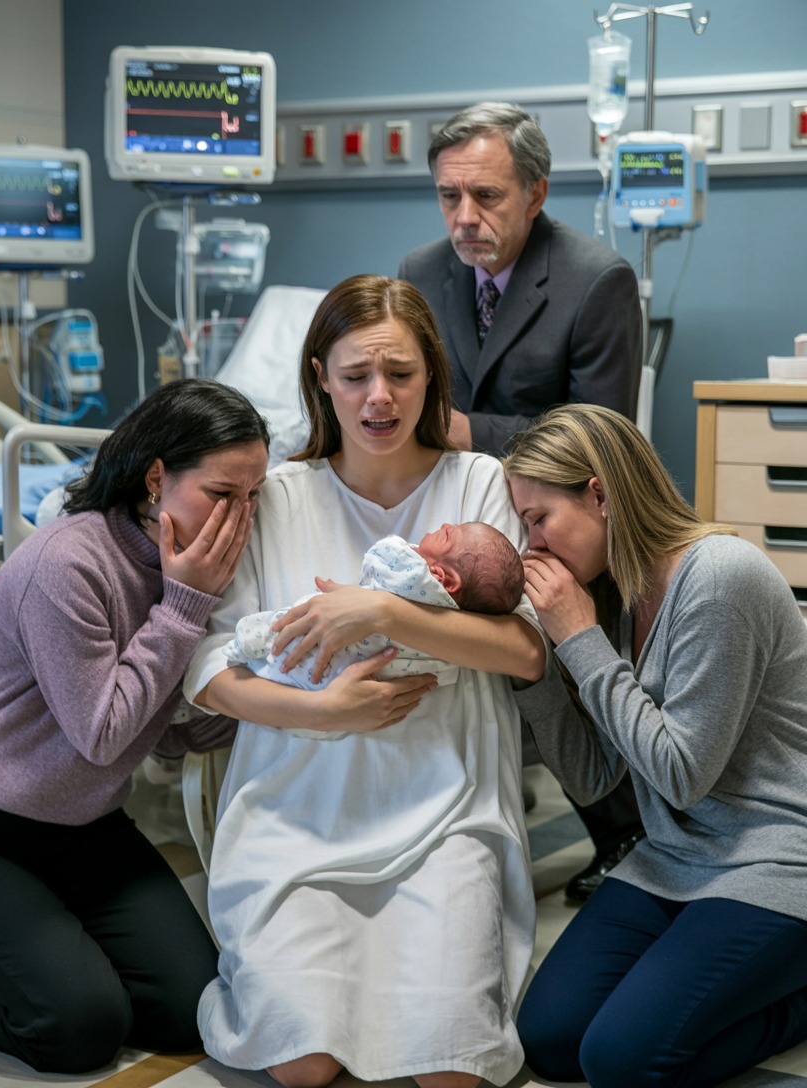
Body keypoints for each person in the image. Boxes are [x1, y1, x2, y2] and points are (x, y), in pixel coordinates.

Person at [183, 273, 546, 1088]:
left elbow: (525, 651)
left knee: (449, 1069)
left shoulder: (478, 484)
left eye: (402, 375)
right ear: (319, 377)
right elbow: (209, 667)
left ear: (432, 376)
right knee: (302, 1064)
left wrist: (382, 612)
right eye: (355, 377)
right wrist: (323, 715)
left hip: (444, 809)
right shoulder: (274, 497)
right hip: (299, 807)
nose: (379, 398)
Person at [0, 378, 270, 1075]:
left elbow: (162, 727)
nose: (239, 520)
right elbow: (105, 734)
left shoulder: (183, 568)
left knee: (189, 1011)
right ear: (156, 478)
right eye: (223, 495)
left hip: (84, 828)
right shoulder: (70, 562)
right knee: (79, 1030)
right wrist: (184, 606)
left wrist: (282, 709)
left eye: (253, 497)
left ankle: (51, 949)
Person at [504, 403, 807, 1088]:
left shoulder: (720, 576)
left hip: (776, 855)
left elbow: (680, 776)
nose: (534, 547)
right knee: (549, 1041)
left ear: (601, 493)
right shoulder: (614, 598)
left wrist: (577, 640)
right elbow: (591, 780)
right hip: (675, 857)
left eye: (539, 519)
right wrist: (535, 672)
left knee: (621, 1061)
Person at [399, 100, 644, 891]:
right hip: (453, 512)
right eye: (448, 197)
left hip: (565, 517)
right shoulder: (420, 274)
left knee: (563, 650)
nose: (464, 218)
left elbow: (599, 434)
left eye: (487, 197)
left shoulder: (594, 279)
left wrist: (474, 433)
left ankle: (623, 834)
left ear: (535, 193)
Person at [224, 523, 526, 700]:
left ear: (442, 578)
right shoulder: (452, 637)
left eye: (450, 536)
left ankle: (248, 644)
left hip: (345, 655)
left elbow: (381, 558)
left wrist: (376, 601)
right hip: (356, 678)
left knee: (292, 628)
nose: (446, 525)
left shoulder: (415, 577)